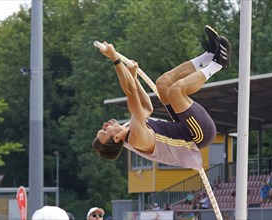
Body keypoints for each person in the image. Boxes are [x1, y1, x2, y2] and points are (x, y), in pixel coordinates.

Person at [92, 25, 230, 171]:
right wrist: (115, 59)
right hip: (198, 135)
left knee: (162, 83)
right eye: (104, 131)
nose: (105, 124)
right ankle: (218, 63)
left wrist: (133, 77)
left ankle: (208, 55)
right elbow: (130, 92)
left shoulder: (128, 127)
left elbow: (146, 107)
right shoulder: (136, 137)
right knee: (175, 91)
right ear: (115, 138)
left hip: (183, 126)